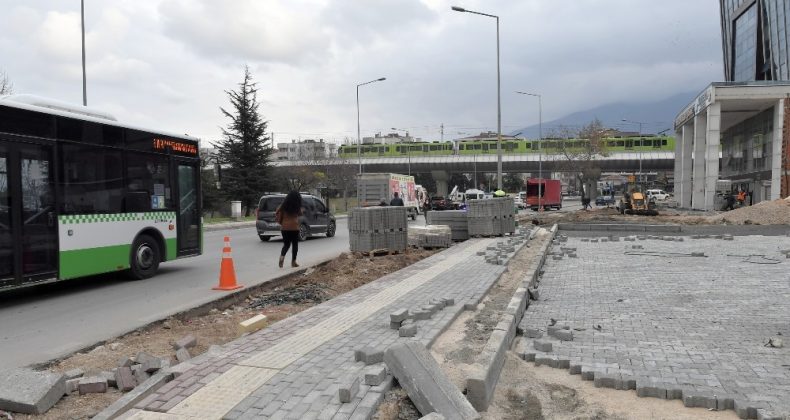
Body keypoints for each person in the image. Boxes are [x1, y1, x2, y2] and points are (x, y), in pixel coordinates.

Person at [275, 191, 303, 268]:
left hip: (284, 228)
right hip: (294, 227)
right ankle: (293, 262)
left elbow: (277, 212)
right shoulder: (297, 206)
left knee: (286, 244)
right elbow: (301, 213)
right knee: (295, 244)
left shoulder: (284, 205)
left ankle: (282, 257)